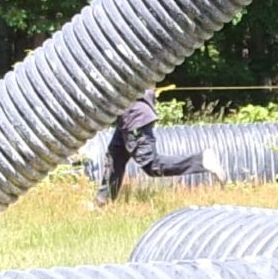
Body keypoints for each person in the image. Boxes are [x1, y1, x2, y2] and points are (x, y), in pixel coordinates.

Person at [94, 88, 227, 206]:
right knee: (115, 156)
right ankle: (102, 202)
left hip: (134, 117)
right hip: (130, 115)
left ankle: (201, 160)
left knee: (152, 165)